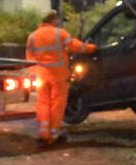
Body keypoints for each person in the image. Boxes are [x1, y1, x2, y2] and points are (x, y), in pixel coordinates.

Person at [26, 11, 96, 145]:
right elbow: (78, 47)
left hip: (41, 75)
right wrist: (93, 48)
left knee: (43, 103)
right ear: (54, 19)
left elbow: (29, 57)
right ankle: (53, 134)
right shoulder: (60, 33)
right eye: (58, 20)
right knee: (57, 104)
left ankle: (44, 132)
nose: (59, 22)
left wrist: (33, 73)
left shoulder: (32, 36)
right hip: (59, 75)